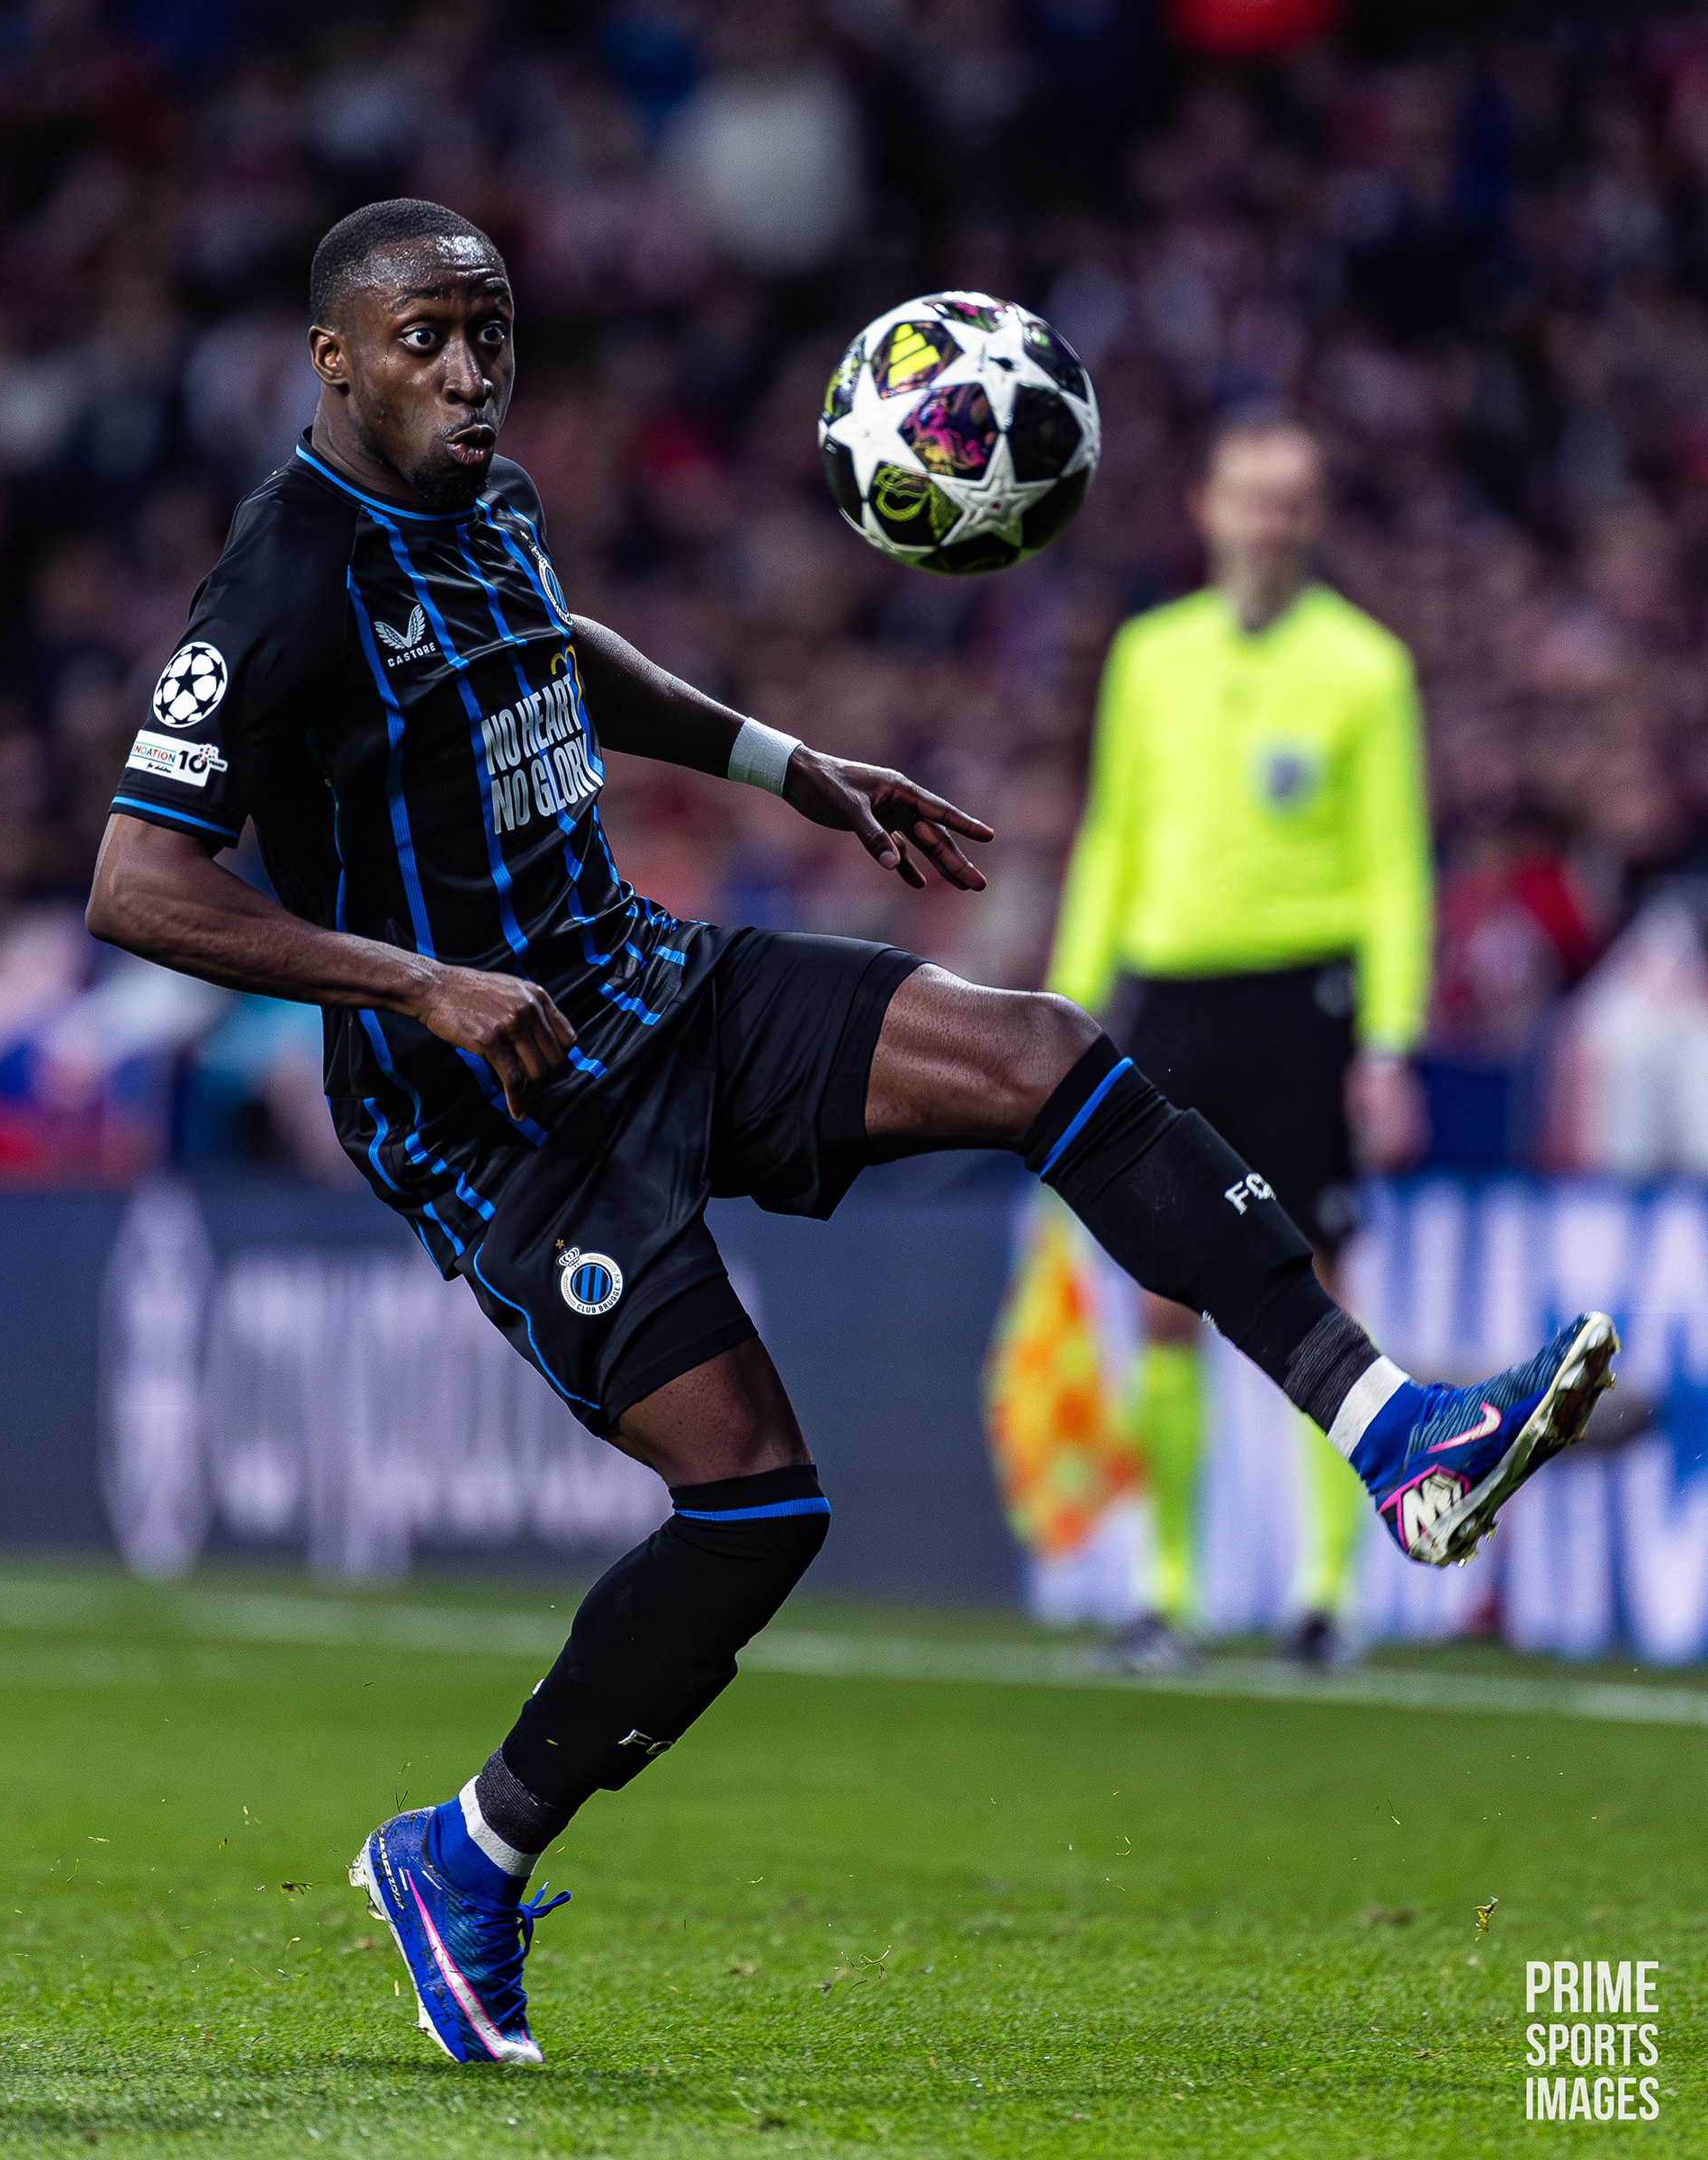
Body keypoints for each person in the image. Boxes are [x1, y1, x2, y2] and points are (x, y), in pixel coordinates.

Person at [85, 200, 1617, 2067]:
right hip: (502, 1113)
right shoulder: (283, 575)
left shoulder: (490, 502)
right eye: (427, 341)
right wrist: (418, 986)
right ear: (334, 361)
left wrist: (787, 764)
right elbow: (137, 883)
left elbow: (552, 650)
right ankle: (464, 1856)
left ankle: (1397, 1436)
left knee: (1040, 1051)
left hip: (654, 985)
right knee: (758, 1506)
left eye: (492, 335)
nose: (473, 373)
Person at [1047, 417, 1432, 1670]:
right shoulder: (1150, 657)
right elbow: (1113, 832)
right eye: (1251, 498)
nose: (1270, 522)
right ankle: (1168, 1594)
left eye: (1292, 501)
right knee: (1164, 1296)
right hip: (1175, 998)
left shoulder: (1366, 668)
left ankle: (1326, 1598)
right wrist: (1067, 1002)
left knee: (1317, 1287)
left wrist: (1390, 1038)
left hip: (1303, 1003)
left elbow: (1393, 866)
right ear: (1206, 509)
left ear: (1313, 518)